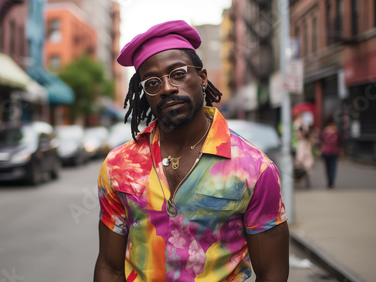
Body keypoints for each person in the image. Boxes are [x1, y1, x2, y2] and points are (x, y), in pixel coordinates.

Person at [94, 20, 289, 282]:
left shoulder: (255, 168)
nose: (167, 88)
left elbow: (271, 273)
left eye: (178, 73)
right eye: (152, 83)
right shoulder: (119, 166)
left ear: (202, 77)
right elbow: (109, 267)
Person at [320, 118, 342, 189]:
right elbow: (340, 143)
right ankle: (331, 183)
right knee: (332, 168)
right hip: (333, 152)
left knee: (328, 168)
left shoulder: (324, 132)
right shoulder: (337, 132)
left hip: (326, 152)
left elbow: (320, 142)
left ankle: (330, 182)